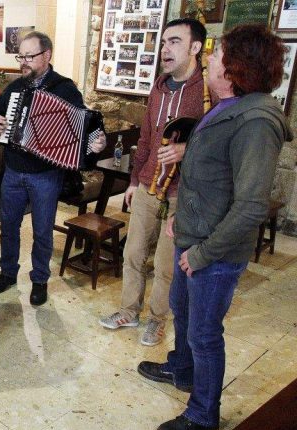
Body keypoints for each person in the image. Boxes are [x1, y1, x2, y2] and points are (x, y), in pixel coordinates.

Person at [138, 24, 291, 430]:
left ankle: (204, 412)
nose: (209, 59)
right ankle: (181, 369)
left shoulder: (257, 121)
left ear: (237, 66)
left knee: (205, 333)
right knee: (183, 315)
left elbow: (250, 206)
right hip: (195, 235)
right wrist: (181, 218)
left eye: (218, 54)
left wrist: (203, 253)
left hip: (215, 252)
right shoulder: (226, 107)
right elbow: (210, 177)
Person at [99, 18, 207, 346]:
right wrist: (133, 181)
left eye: (174, 42)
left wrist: (187, 149)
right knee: (133, 253)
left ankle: (158, 320)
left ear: (195, 48)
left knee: (165, 262)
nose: (164, 49)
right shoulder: (158, 87)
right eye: (162, 43)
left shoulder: (208, 92)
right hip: (148, 185)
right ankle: (128, 310)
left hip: (182, 192)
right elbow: (146, 138)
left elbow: (219, 145)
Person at [0, 31, 106, 306]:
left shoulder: (65, 89)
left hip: (46, 175)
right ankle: (7, 273)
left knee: (42, 230)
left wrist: (97, 142)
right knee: (8, 226)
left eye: (29, 56)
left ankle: (39, 279)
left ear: (46, 56)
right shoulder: (16, 88)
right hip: (13, 171)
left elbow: (89, 125)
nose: (22, 62)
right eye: (20, 56)